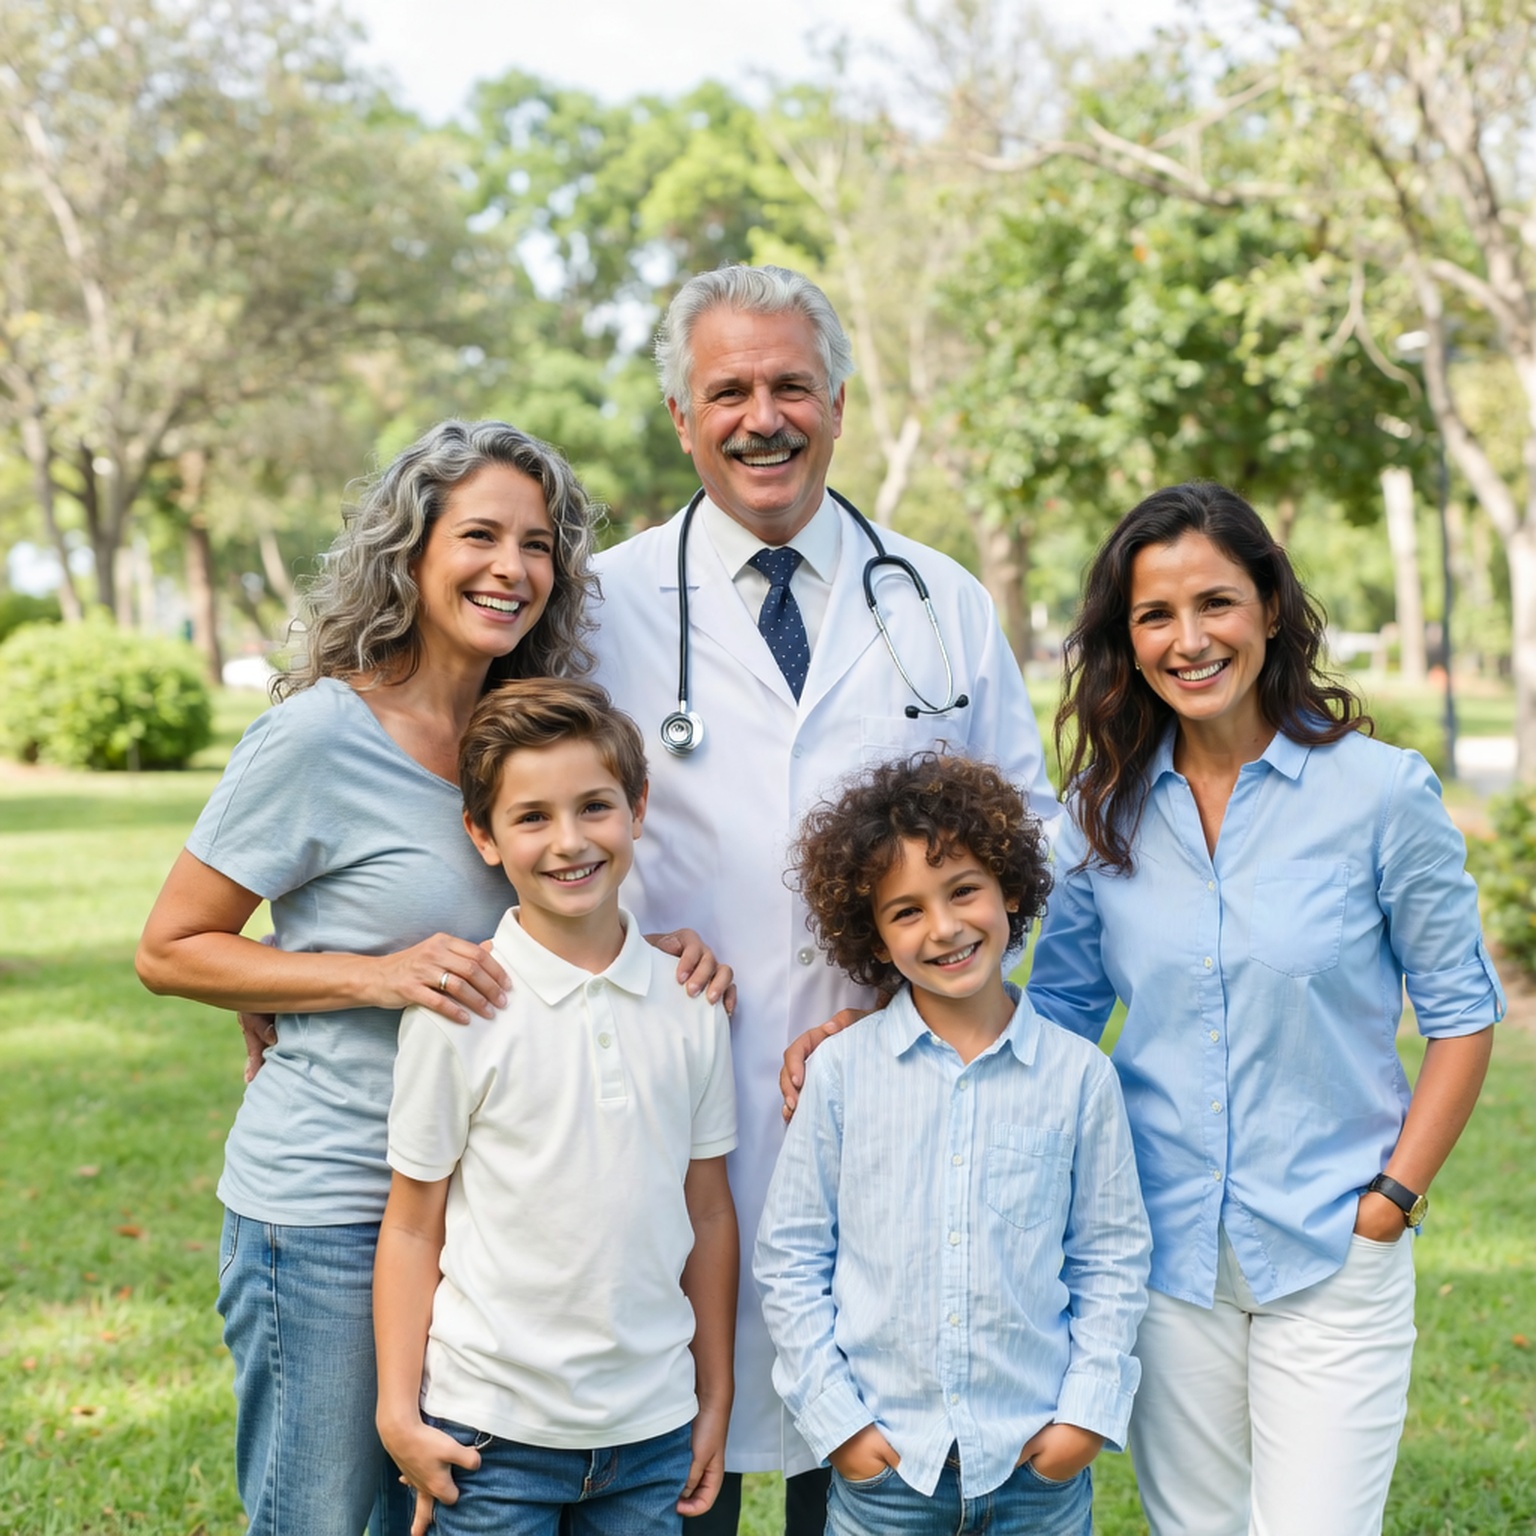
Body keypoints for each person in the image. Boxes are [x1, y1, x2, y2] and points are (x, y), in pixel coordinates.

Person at [136, 421, 729, 1536]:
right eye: (480, 536)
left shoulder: (520, 739)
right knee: (322, 1516)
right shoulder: (319, 737)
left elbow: (554, 921)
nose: (511, 568)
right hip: (331, 1208)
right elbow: (171, 947)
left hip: (485, 1224)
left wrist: (663, 956)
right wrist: (370, 977)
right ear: (410, 551)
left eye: (537, 545)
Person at [589, 264, 1057, 1534]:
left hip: (897, 1101)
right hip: (663, 1096)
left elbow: (1038, 836)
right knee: (671, 1464)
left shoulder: (939, 599)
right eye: (727, 391)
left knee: (849, 1462)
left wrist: (914, 990)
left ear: (839, 404)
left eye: (791, 385)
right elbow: (517, 820)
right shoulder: (602, 604)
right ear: (682, 420)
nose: (763, 417)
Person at [1022, 482, 1503, 1536]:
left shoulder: (1382, 795)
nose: (1189, 639)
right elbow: (1057, 1009)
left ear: (1271, 607)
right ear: (1128, 640)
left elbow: (1464, 1015)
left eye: (1217, 604)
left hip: (1335, 1249)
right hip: (1162, 1255)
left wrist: (1393, 1199)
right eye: (1156, 615)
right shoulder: (1102, 814)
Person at [374, 679, 737, 1536]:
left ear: (638, 809)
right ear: (483, 835)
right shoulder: (461, 1009)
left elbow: (710, 1210)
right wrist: (399, 1411)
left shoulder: (691, 1003)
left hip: (652, 1433)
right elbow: (414, 1225)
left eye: (595, 807)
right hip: (491, 1434)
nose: (569, 842)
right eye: (532, 817)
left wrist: (713, 1394)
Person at [755, 754, 1149, 1536]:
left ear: (1010, 887)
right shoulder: (840, 1075)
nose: (943, 928)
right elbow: (791, 1258)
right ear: (871, 933)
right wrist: (843, 1429)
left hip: (1037, 1473)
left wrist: (1084, 1421)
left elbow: (1111, 1257)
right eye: (905, 911)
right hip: (888, 1479)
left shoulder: (1079, 1078)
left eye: (963, 890)